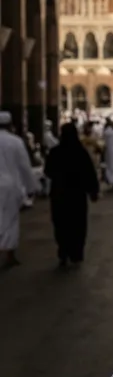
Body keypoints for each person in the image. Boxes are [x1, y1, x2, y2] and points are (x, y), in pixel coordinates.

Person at [44, 122, 100, 268]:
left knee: (61, 224)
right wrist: (93, 191)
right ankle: (76, 253)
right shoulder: (80, 152)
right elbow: (89, 173)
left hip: (59, 195)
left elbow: (47, 171)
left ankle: (63, 251)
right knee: (78, 224)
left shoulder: (55, 152)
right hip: (77, 196)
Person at [0, 110, 37, 268]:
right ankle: (9, 256)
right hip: (10, 185)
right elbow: (24, 166)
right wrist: (31, 187)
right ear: (10, 125)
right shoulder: (15, 142)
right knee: (11, 220)